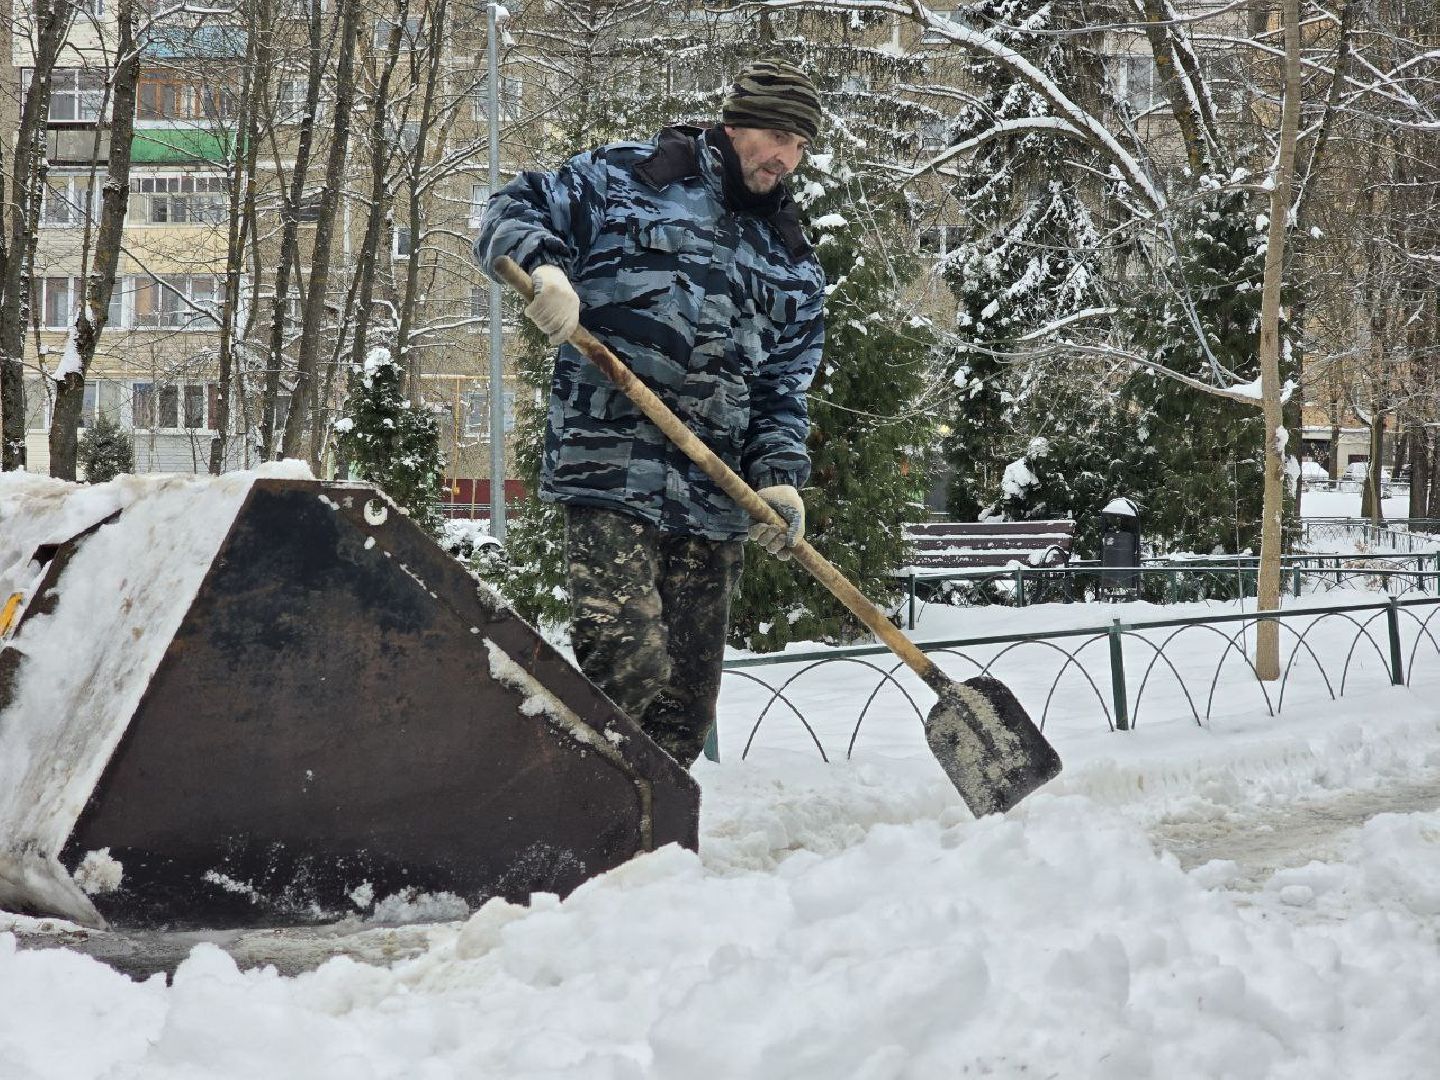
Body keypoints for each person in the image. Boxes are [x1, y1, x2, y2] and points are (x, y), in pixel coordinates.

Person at [474, 59, 826, 766]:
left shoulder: (793, 262)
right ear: (736, 124)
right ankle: (556, 815)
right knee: (627, 664)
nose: (783, 157)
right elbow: (509, 210)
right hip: (611, 470)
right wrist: (545, 268)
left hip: (715, 497)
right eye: (773, 136)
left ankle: (647, 857)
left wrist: (779, 476)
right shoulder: (629, 178)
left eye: (798, 145)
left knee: (684, 711)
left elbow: (784, 388)